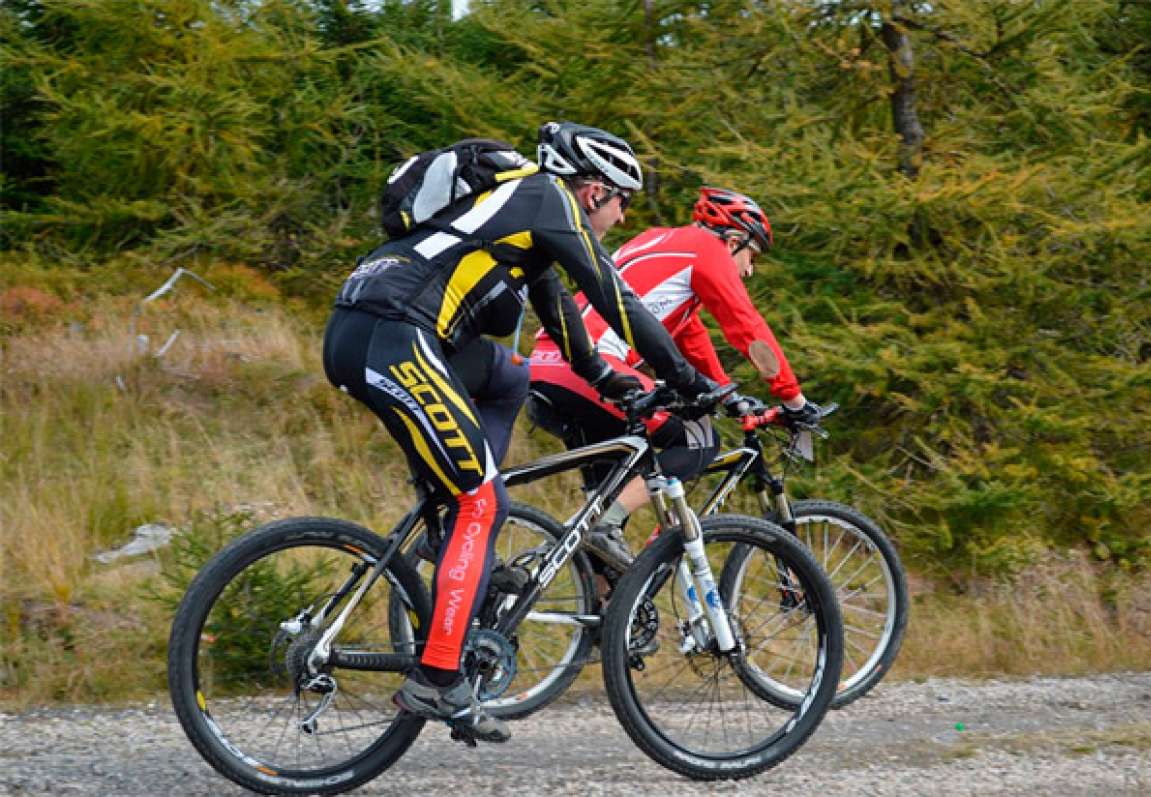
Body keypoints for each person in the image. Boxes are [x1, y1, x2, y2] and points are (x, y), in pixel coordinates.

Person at [322, 122, 715, 743]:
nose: (620, 216)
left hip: (367, 328)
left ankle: (453, 532)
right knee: (479, 500)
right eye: (622, 203)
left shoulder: (519, 217)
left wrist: (603, 377)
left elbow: (558, 309)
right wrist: (687, 378)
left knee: (510, 376)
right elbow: (614, 296)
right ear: (593, 193)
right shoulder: (546, 197)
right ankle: (438, 676)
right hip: (394, 336)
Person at [528, 187, 823, 574]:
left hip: (546, 363)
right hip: (591, 366)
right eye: (752, 256)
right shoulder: (707, 249)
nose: (749, 270)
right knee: (697, 438)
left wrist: (726, 395)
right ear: (734, 240)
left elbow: (689, 339)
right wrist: (793, 400)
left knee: (607, 507)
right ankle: (608, 530)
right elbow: (748, 330)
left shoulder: (656, 241)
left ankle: (601, 621)